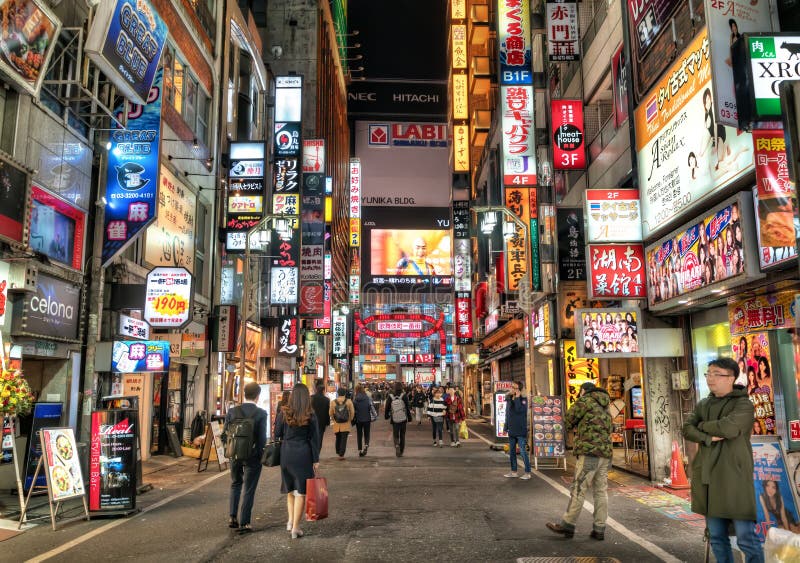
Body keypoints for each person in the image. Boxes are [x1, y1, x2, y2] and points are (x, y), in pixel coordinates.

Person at [682, 358, 762, 563]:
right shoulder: (704, 403)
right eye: (708, 373)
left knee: (746, 538)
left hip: (734, 477)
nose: (710, 378)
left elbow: (729, 428)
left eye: (717, 374)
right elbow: (687, 429)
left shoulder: (743, 404)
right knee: (716, 537)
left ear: (732, 378)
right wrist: (707, 436)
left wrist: (703, 427)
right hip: (708, 477)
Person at [546, 382, 612, 540]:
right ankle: (599, 529)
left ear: (584, 391)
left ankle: (568, 524)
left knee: (578, 488)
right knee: (601, 491)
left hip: (589, 452)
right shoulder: (605, 404)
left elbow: (568, 420)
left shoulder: (584, 401)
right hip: (605, 454)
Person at [275, 383, 321, 539]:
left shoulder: (284, 413)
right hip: (304, 454)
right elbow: (315, 439)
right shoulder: (310, 415)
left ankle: (290, 521)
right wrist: (315, 460)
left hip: (286, 453)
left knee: (290, 489)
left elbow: (277, 434)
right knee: (301, 492)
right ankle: (295, 527)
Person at [226, 382, 268, 534]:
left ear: (244, 394)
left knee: (236, 483)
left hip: (235, 454)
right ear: (258, 396)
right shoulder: (261, 413)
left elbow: (226, 433)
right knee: (249, 488)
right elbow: (262, 439)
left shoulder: (232, 412)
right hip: (253, 456)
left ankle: (232, 517)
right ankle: (245, 522)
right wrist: (260, 454)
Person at [504, 381, 531, 480]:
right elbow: (508, 414)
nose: (512, 389)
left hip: (520, 430)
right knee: (511, 452)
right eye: (511, 387)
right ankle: (513, 471)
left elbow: (520, 409)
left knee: (523, 452)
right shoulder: (510, 399)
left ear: (519, 389)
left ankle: (527, 472)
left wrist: (518, 397)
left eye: (514, 387)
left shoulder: (523, 400)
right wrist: (505, 427)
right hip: (511, 430)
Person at [385, 381, 412, 457]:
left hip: (394, 419)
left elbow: (387, 407)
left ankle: (397, 446)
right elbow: (407, 407)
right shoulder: (404, 396)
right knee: (402, 435)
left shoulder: (390, 396)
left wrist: (386, 416)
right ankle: (401, 451)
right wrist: (409, 418)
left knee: (396, 435)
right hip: (403, 419)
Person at [329, 388, 355, 460]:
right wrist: (350, 419)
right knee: (344, 439)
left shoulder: (333, 402)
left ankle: (338, 451)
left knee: (338, 438)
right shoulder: (349, 401)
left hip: (337, 424)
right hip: (346, 424)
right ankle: (341, 454)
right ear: (345, 394)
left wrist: (334, 420)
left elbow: (330, 413)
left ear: (338, 393)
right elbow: (352, 412)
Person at [352, 384, 373, 457]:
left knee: (359, 434)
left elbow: (353, 410)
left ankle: (360, 450)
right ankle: (366, 446)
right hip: (367, 418)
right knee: (367, 434)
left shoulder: (355, 399)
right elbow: (370, 407)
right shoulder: (367, 398)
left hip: (358, 419)